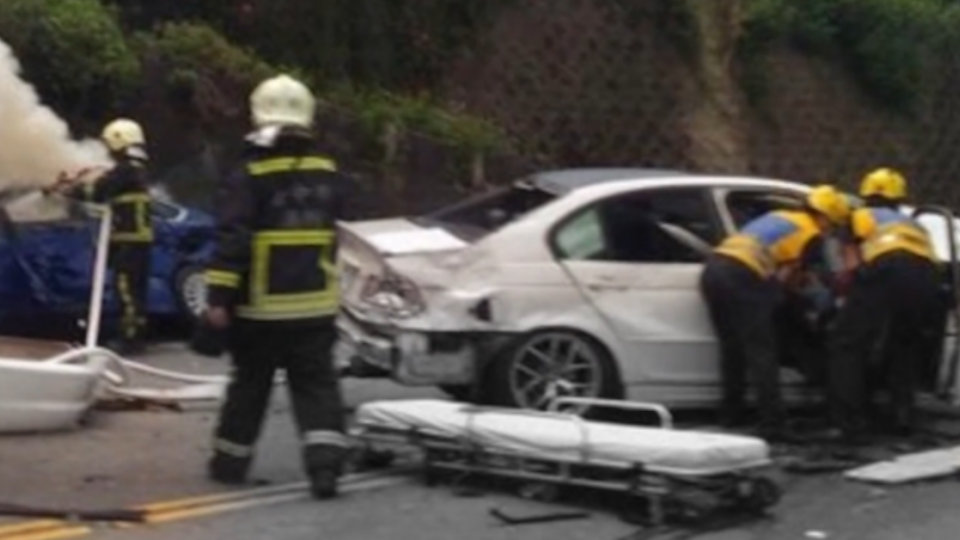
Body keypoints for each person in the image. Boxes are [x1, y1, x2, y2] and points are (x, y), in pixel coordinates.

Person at [201, 74, 357, 499]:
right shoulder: (330, 173)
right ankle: (325, 469)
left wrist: (218, 299)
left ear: (258, 117)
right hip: (316, 306)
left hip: (261, 311)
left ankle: (230, 463)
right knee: (317, 386)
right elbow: (347, 233)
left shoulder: (249, 174)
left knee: (250, 386)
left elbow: (233, 241)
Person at [700, 185, 851, 440]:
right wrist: (809, 304)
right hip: (743, 276)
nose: (830, 231)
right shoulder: (811, 233)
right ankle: (772, 424)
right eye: (832, 225)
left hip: (714, 270)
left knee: (732, 349)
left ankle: (731, 414)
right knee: (762, 351)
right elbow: (787, 276)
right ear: (825, 217)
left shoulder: (778, 216)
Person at [826, 168, 944, 441]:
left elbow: (850, 264)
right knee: (905, 344)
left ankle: (849, 424)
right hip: (926, 276)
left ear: (866, 195)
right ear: (899, 199)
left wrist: (842, 296)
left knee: (847, 345)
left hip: (886, 268)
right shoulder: (914, 225)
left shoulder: (858, 216)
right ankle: (902, 417)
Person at [48, 118, 154, 354]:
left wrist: (68, 190)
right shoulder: (134, 169)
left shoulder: (127, 170)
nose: (108, 150)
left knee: (127, 291)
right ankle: (133, 334)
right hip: (132, 240)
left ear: (119, 141)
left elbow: (98, 191)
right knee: (132, 291)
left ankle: (131, 340)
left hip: (130, 241)